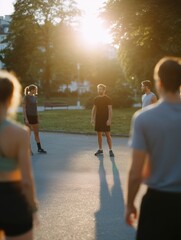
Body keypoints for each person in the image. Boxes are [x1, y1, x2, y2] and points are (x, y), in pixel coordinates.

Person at [125, 56, 181, 240]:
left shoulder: (144, 118)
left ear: (159, 82)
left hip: (157, 203)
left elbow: (136, 172)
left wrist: (130, 204)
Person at [0, 70, 39, 239]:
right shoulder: (19, 133)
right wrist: (33, 207)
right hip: (13, 201)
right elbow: (26, 179)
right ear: (11, 99)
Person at [91, 84, 114, 157]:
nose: (99, 90)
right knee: (99, 135)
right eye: (98, 89)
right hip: (98, 119)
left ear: (104, 90)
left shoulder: (108, 99)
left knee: (108, 135)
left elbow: (110, 110)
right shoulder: (96, 99)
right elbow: (94, 109)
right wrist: (92, 118)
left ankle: (110, 150)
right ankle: (100, 149)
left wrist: (109, 119)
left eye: (101, 89)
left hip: (105, 119)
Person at [22, 84, 47, 154]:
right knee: (28, 135)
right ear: (32, 90)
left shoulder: (35, 97)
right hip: (28, 117)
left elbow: (36, 109)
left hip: (34, 117)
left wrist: (38, 118)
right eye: (35, 89)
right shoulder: (26, 97)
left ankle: (39, 148)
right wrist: (26, 119)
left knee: (36, 134)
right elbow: (24, 109)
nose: (36, 91)